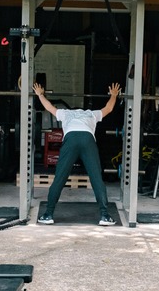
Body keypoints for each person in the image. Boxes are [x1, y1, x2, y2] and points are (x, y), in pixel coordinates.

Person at [32, 81, 121, 227]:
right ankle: (105, 216)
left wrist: (40, 94)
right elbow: (109, 108)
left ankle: (48, 214)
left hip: (71, 139)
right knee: (96, 178)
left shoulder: (66, 113)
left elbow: (48, 107)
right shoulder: (91, 114)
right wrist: (114, 95)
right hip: (87, 139)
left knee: (60, 177)